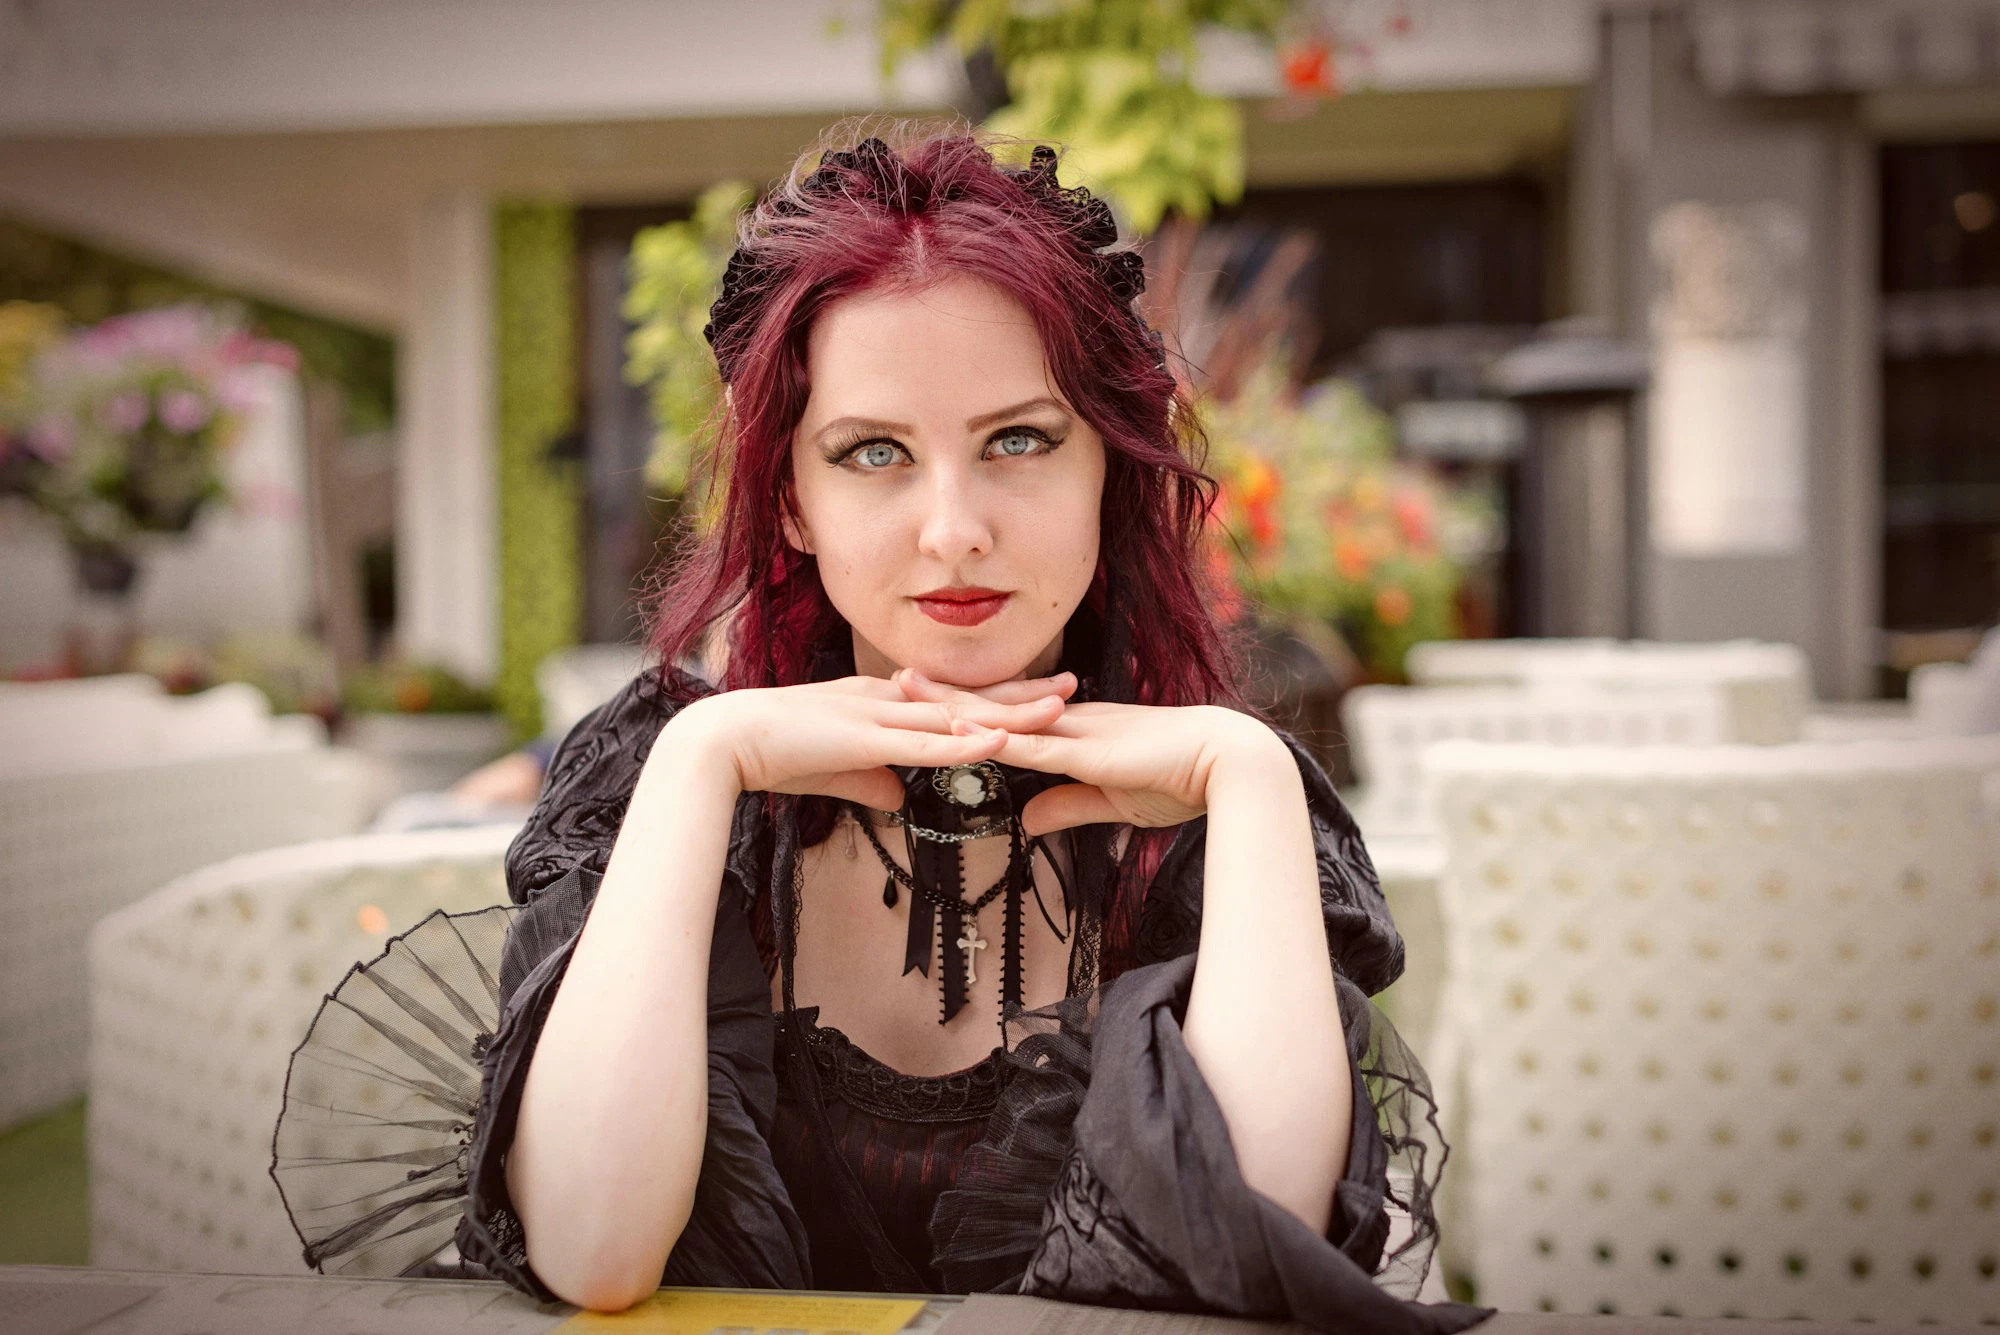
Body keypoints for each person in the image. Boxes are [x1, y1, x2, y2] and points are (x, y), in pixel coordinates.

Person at [452, 128, 1486, 1331]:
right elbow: (593, 1249)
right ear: (791, 500)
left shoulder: (1207, 812)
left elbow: (1249, 1250)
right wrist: (700, 762)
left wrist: (1246, 775)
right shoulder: (661, 779)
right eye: (872, 453)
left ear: (1111, 464)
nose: (953, 532)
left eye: (1018, 440)